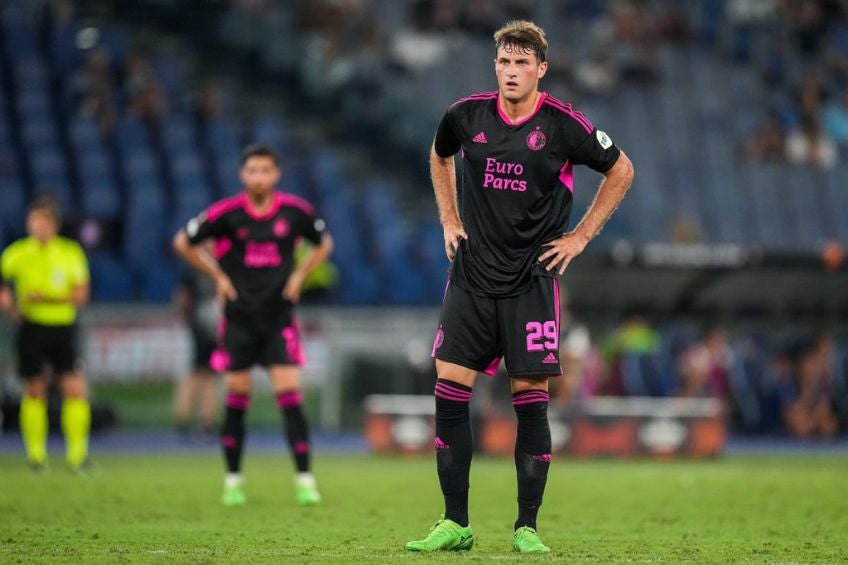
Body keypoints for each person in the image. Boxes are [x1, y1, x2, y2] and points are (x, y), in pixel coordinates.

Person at [406, 21, 634, 554]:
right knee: (448, 393)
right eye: (504, 63)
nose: (511, 72)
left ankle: (526, 527)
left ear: (541, 70)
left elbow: (621, 170)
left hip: (532, 279)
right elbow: (438, 156)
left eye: (522, 64)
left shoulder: (563, 125)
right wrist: (448, 217)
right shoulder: (465, 116)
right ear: (496, 67)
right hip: (472, 274)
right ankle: (454, 523)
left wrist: (579, 238)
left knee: (530, 401)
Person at [173, 143, 334, 507]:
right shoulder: (226, 214)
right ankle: (233, 480)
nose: (259, 177)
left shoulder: (296, 213)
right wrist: (217, 275)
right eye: (252, 171)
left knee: (291, 399)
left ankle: (305, 480)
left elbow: (323, 244)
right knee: (236, 402)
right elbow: (183, 242)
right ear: (242, 175)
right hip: (239, 320)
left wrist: (298, 276)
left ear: (276, 174)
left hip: (279, 319)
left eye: (266, 170)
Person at [0, 196, 92, 473]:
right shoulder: (16, 253)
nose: (38, 227)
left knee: (74, 389)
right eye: (34, 222)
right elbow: (3, 284)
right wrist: (10, 305)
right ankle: (36, 457)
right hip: (32, 327)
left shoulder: (69, 252)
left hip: (63, 327)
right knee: (35, 389)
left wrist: (47, 298)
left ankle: (77, 457)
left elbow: (80, 294)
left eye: (43, 222)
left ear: (54, 225)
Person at [173, 243, 221, 439]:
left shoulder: (220, 267)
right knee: (197, 373)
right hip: (201, 327)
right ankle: (184, 418)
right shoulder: (193, 270)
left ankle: (205, 420)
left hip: (215, 328)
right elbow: (182, 298)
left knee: (209, 374)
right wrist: (189, 320)